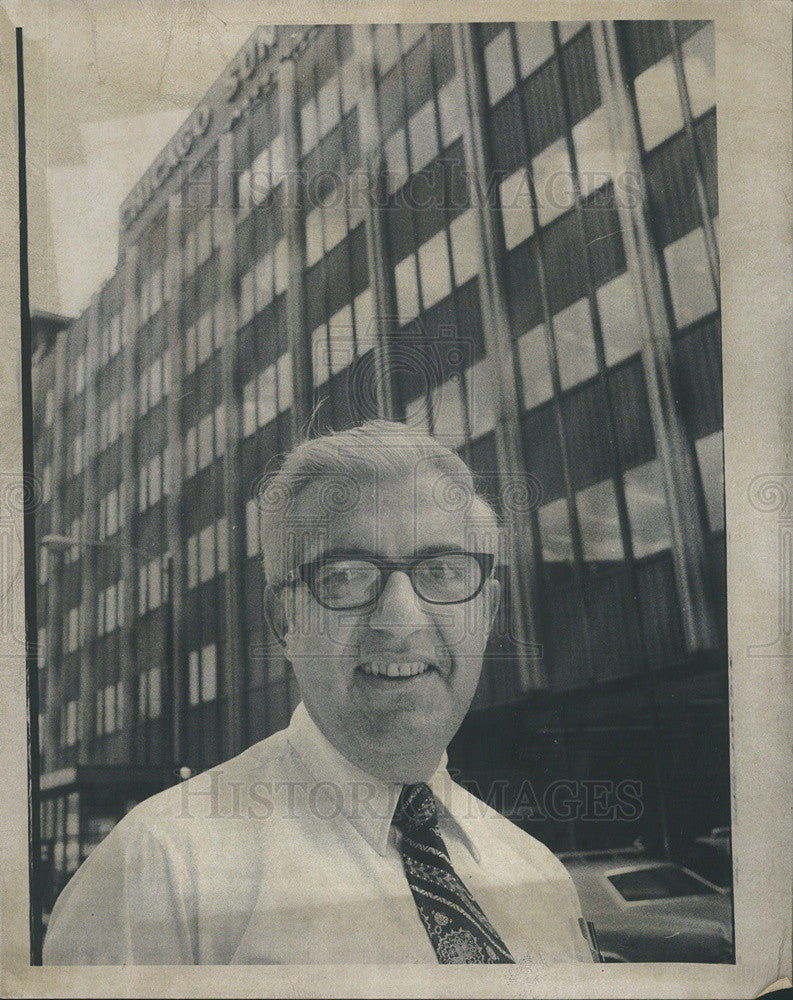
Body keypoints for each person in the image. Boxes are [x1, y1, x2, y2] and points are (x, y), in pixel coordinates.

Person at [44, 420, 596, 965]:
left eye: (444, 570)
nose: (401, 620)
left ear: (487, 609)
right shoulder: (158, 872)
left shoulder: (541, 879)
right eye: (345, 576)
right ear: (284, 620)